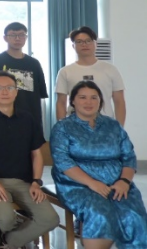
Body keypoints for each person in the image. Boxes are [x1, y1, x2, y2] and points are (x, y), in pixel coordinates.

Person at [50, 80, 147, 248]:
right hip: (78, 184)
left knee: (133, 214)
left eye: (94, 97)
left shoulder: (113, 125)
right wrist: (92, 183)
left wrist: (124, 181)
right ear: (73, 101)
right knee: (101, 213)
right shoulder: (63, 127)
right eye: (82, 97)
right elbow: (62, 161)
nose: (89, 102)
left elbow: (129, 156)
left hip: (117, 183)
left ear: (100, 101)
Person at [0, 71, 59, 249]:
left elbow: (37, 154)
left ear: (16, 91)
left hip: (24, 182)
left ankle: (6, 241)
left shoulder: (28, 118)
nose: (5, 92)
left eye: (9, 87)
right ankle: (12, 238)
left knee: (51, 219)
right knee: (6, 218)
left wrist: (36, 182)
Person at [55, 26, 126, 125]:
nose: (84, 44)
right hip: (75, 125)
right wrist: (62, 128)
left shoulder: (110, 69)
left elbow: (119, 101)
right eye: (79, 42)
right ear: (73, 46)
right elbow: (61, 103)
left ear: (95, 43)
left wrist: (119, 128)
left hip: (105, 125)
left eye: (88, 41)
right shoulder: (65, 71)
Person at [0, 22, 47, 126]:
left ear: (26, 38)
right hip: (2, 118)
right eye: (13, 35)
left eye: (21, 35)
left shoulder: (34, 63)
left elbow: (40, 93)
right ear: (5, 38)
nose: (17, 38)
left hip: (30, 118)